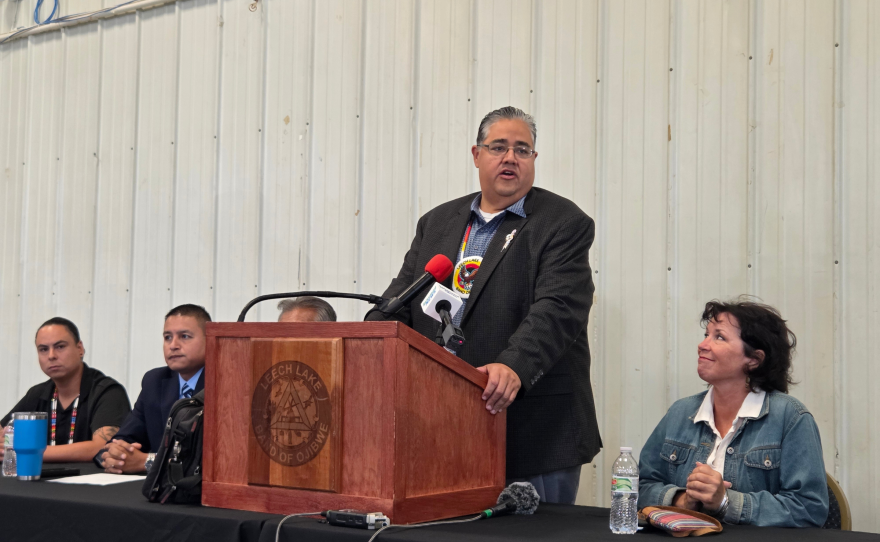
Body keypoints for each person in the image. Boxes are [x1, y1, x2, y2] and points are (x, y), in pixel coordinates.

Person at [365, 106, 601, 504]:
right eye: (499, 147)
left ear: (533, 160)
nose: (510, 158)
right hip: (441, 421)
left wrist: (514, 365)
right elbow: (402, 298)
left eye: (522, 150)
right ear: (476, 155)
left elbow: (558, 308)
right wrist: (370, 339)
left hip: (530, 428)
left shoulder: (563, 222)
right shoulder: (438, 222)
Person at [638, 300, 829, 527]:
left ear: (754, 359)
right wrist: (681, 499)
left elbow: (809, 509)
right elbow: (638, 486)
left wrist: (725, 502)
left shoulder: (791, 417)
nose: (703, 345)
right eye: (706, 334)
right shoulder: (680, 412)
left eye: (719, 337)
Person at [96, 304, 211, 474]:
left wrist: (148, 462)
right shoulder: (155, 382)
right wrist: (115, 455)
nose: (173, 345)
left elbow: (213, 459)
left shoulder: (225, 384)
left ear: (210, 339)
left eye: (185, 336)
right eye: (167, 337)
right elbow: (121, 439)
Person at [0, 317, 131, 462]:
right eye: (43, 349)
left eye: (60, 347)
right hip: (43, 482)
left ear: (80, 348)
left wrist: (27, 452)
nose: (51, 356)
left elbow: (102, 447)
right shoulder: (38, 394)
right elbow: (3, 431)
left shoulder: (108, 392)